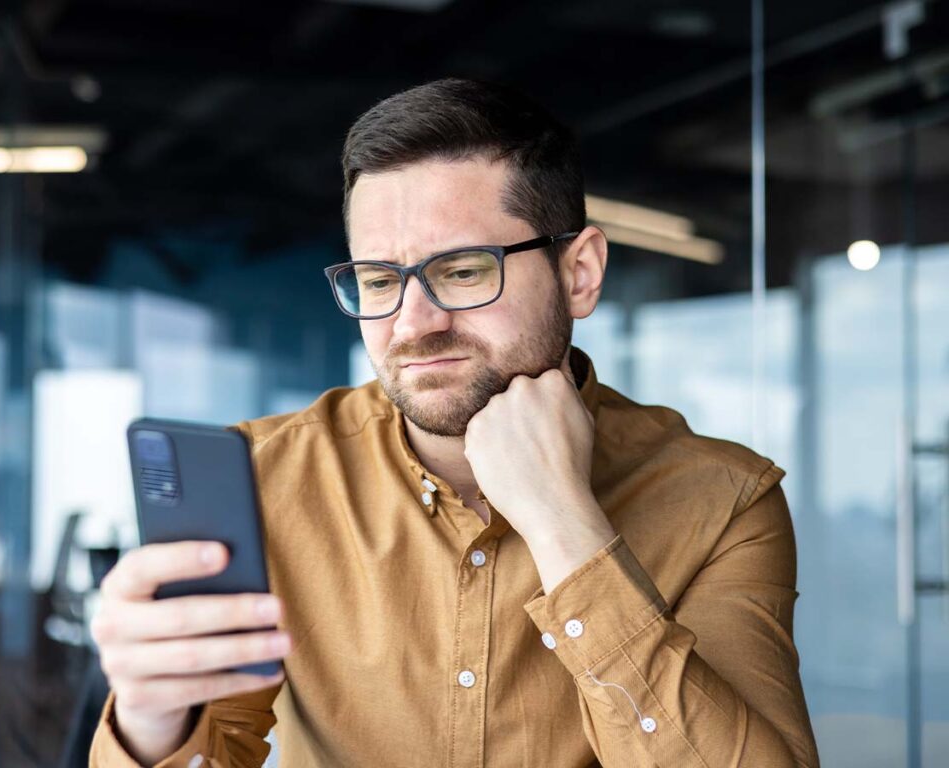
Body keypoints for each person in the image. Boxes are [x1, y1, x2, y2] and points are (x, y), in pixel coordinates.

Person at [89, 78, 820, 767]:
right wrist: (153, 724)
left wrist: (565, 523)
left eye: (464, 271)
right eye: (379, 280)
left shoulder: (723, 501)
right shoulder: (267, 478)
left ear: (579, 273)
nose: (414, 324)